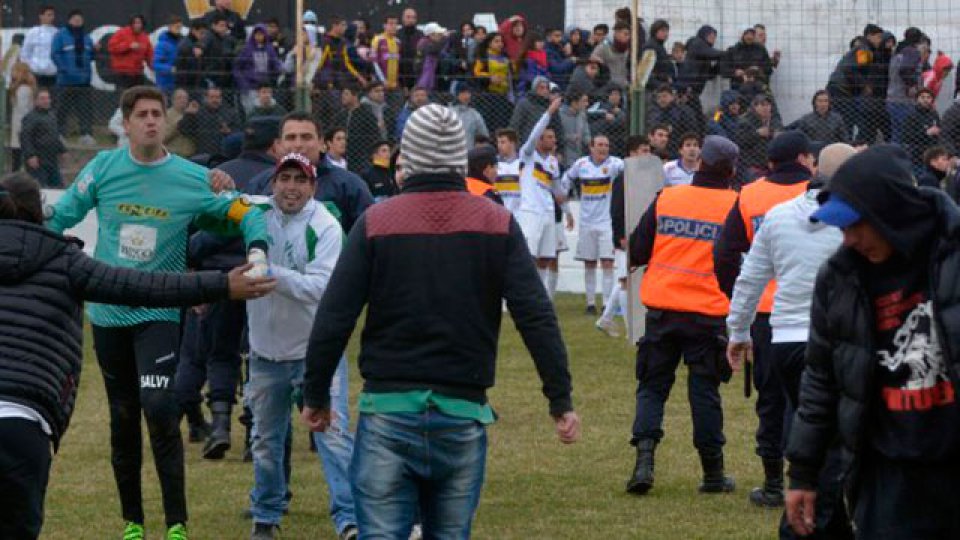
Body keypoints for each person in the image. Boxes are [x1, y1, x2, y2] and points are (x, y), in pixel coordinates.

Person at [300, 103, 580, 538]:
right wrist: (559, 399)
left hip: (388, 407)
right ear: (458, 155)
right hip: (462, 407)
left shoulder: (376, 222)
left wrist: (315, 394)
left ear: (407, 157)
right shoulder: (496, 222)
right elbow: (536, 316)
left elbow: (335, 315)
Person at [46, 85, 272, 540]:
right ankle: (133, 521)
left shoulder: (192, 178)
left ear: (165, 121)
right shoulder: (104, 167)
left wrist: (259, 251)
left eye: (157, 113)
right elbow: (61, 215)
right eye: (142, 114)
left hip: (159, 312)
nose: (151, 120)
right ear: (125, 123)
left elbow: (247, 212)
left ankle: (176, 524)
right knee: (123, 416)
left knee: (159, 406)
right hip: (108, 314)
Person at [0, 172, 275, 540]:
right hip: (24, 425)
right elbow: (142, 284)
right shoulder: (65, 259)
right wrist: (222, 283)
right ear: (41, 213)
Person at [785, 144, 960, 539]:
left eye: (854, 225)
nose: (847, 240)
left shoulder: (953, 254)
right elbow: (820, 381)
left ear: (889, 212)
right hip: (888, 479)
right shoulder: (838, 279)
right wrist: (803, 474)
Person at [212, 153, 356, 540]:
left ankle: (350, 519)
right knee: (264, 440)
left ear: (312, 186)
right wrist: (214, 180)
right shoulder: (256, 211)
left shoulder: (324, 226)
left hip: (316, 354)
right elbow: (217, 205)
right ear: (272, 183)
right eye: (284, 178)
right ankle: (266, 516)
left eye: (299, 180)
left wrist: (272, 274)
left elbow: (324, 288)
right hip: (264, 353)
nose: (290, 187)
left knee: (335, 439)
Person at [726, 144, 856, 528]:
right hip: (832, 341)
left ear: (814, 168)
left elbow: (749, 279)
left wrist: (737, 331)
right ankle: (806, 520)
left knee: (806, 423)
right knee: (831, 440)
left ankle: (814, 510)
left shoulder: (778, 217)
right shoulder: (855, 220)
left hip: (784, 337)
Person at [625, 135, 740, 496]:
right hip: (707, 313)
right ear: (732, 170)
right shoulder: (735, 205)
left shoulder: (668, 198)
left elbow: (638, 249)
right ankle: (713, 475)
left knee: (652, 387)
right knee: (704, 391)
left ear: (699, 162)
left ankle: (643, 464)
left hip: (661, 309)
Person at [714, 130, 814, 509]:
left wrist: (740, 299)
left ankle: (773, 485)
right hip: (813, 310)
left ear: (770, 162)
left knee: (771, 398)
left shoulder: (750, 194)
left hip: (766, 313)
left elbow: (725, 255)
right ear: (805, 159)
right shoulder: (820, 192)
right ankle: (812, 477)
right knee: (814, 399)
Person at [177, 116, 281, 455]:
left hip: (216, 278)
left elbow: (193, 225)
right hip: (259, 275)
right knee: (258, 355)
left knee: (219, 353)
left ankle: (219, 424)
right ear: (275, 144)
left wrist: (195, 267)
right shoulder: (274, 181)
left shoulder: (219, 175)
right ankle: (254, 431)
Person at [248, 112, 374, 235]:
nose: (298, 144)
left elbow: (369, 232)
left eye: (306, 137)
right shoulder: (260, 183)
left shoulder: (350, 185)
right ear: (279, 144)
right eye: (291, 137)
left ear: (321, 142)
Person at [560, 134, 624, 313]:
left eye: (606, 145)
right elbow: (566, 179)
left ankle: (605, 303)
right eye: (600, 145)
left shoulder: (615, 164)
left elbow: (631, 170)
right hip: (587, 222)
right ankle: (590, 303)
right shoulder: (581, 165)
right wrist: (564, 199)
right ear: (591, 147)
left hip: (607, 222)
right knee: (589, 263)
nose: (604, 148)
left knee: (607, 263)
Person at [597, 135, 651, 337]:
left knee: (626, 278)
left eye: (648, 151)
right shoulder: (623, 178)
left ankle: (605, 319)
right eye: (643, 151)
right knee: (626, 281)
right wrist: (620, 235)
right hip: (625, 237)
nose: (647, 155)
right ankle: (632, 330)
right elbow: (617, 209)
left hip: (638, 235)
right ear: (632, 154)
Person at [516, 96, 563, 292]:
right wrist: (549, 113)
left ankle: (540, 294)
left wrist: (564, 205)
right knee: (529, 255)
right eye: (548, 137)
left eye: (553, 137)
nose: (552, 140)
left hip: (548, 212)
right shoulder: (528, 154)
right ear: (539, 140)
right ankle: (524, 291)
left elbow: (557, 188)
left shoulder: (553, 162)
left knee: (545, 257)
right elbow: (533, 134)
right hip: (531, 212)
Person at [50, 9, 95, 146]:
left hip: (84, 81)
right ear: (69, 20)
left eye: (80, 19)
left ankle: (85, 134)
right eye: (75, 19)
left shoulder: (87, 37)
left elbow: (90, 56)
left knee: (85, 109)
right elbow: (55, 54)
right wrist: (64, 69)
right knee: (62, 109)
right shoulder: (60, 35)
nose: (77, 21)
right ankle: (59, 134)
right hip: (66, 80)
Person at [178, 86, 242, 157]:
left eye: (217, 97)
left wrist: (229, 131)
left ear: (221, 98)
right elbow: (184, 130)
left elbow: (239, 131)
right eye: (212, 97)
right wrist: (189, 115)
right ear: (206, 98)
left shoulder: (230, 113)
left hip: (223, 154)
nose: (215, 100)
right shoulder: (199, 112)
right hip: (203, 153)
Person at [20, 88, 65, 188]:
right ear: (36, 101)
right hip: (38, 161)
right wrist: (30, 155)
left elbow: (55, 135)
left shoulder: (51, 115)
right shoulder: (30, 117)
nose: (46, 101)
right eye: (42, 98)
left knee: (59, 188)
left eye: (48, 98)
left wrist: (62, 150)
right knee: (41, 189)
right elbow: (25, 137)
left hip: (52, 160)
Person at [233, 24, 282, 113]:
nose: (259, 37)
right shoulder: (247, 49)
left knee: (267, 110)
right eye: (257, 34)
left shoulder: (269, 49)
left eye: (261, 34)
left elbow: (275, 64)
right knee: (251, 111)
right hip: (250, 87)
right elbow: (237, 68)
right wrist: (243, 84)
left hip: (266, 87)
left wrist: (275, 75)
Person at [886, 27, 923, 143]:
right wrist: (912, 86)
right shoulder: (911, 52)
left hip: (892, 99)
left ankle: (894, 159)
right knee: (907, 136)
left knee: (897, 135)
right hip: (904, 100)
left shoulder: (897, 52)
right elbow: (905, 70)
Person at [331, 86, 381, 173]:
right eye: (342, 94)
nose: (343, 96)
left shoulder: (366, 115)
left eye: (346, 94)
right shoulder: (341, 115)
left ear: (355, 96)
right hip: (343, 155)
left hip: (361, 157)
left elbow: (375, 135)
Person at [647, 84, 701, 159]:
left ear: (672, 97)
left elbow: (691, 130)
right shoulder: (654, 112)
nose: (662, 99)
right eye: (659, 97)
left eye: (665, 96)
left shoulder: (683, 111)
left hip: (676, 148)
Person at [736, 95, 783, 180]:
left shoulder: (774, 120)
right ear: (755, 106)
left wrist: (777, 135)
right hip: (752, 165)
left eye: (768, 105)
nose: (765, 107)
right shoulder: (745, 121)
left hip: (771, 164)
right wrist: (757, 134)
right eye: (762, 105)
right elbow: (740, 140)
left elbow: (780, 132)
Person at [678, 25, 724, 104]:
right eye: (710, 36)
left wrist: (720, 64)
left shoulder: (705, 53)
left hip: (695, 89)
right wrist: (728, 54)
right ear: (704, 35)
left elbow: (710, 75)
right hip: (688, 87)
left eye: (714, 37)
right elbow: (713, 54)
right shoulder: (697, 43)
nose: (713, 39)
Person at [108, 15, 154, 90]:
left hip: (137, 73)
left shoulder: (144, 37)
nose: (137, 25)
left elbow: (149, 56)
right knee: (124, 98)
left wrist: (155, 68)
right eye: (135, 23)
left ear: (143, 24)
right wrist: (128, 46)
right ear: (131, 24)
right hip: (123, 73)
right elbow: (111, 47)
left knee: (138, 97)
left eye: (139, 23)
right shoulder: (122, 33)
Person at [902, 87, 942, 171]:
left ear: (932, 100)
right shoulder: (911, 115)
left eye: (928, 97)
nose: (925, 100)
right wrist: (926, 133)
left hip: (933, 152)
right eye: (922, 97)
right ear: (917, 99)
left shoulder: (934, 114)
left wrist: (939, 132)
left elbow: (939, 129)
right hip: (917, 153)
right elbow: (906, 136)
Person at [20, 5, 58, 89]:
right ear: (41, 16)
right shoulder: (33, 32)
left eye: (52, 15)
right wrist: (30, 69)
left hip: (53, 74)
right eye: (49, 15)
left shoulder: (57, 33)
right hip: (35, 74)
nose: (51, 17)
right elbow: (25, 53)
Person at [8, 63, 37, 172]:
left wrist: (21, 129)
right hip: (20, 126)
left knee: (18, 157)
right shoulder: (25, 88)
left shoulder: (23, 90)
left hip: (20, 127)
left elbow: (23, 110)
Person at [558, 91, 592, 170]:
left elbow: (586, 134)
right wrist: (570, 137)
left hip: (579, 156)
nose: (587, 104)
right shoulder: (559, 115)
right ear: (574, 103)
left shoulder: (582, 115)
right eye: (584, 101)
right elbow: (556, 135)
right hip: (563, 155)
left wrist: (590, 142)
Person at [174, 19, 210, 91]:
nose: (203, 36)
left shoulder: (197, 43)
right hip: (187, 85)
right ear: (193, 30)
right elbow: (187, 68)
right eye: (201, 33)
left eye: (205, 33)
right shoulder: (186, 45)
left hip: (195, 84)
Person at [450, 83, 489, 149]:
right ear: (456, 95)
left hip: (469, 154)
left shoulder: (475, 115)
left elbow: (484, 136)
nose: (467, 96)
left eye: (468, 93)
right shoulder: (447, 113)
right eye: (463, 93)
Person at [495, 128, 523, 214]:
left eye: (503, 142)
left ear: (512, 143)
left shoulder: (523, 163)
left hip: (520, 215)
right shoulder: (493, 164)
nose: (499, 145)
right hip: (499, 214)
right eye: (498, 142)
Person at [154, 16, 183, 96]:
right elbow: (156, 64)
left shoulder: (182, 42)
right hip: (165, 84)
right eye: (177, 27)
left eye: (180, 27)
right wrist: (170, 68)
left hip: (179, 83)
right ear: (169, 27)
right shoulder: (162, 45)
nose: (179, 29)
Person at [164, 89, 196, 157]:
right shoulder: (166, 115)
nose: (183, 100)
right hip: (172, 155)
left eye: (185, 98)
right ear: (173, 100)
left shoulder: (193, 114)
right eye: (179, 98)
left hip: (190, 155)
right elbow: (164, 137)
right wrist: (182, 121)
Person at [645, 19, 676, 89]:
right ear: (655, 31)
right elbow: (647, 72)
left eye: (667, 31)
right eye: (662, 31)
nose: (666, 33)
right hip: (654, 88)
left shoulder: (659, 46)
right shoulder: (651, 47)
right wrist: (660, 85)